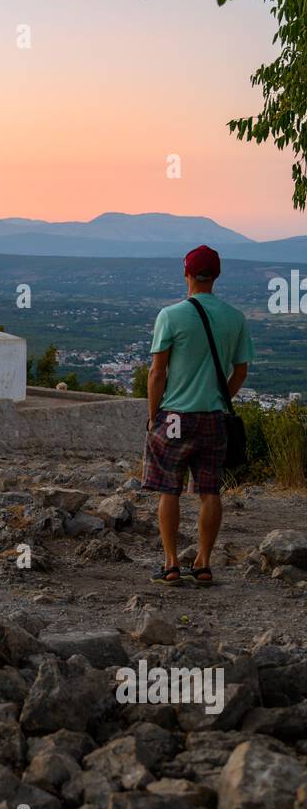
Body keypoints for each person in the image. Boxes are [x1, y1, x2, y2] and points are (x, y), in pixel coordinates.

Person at [142, 245, 254, 586]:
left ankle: (172, 563)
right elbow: (240, 371)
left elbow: (157, 373)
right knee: (210, 491)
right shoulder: (236, 318)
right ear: (216, 275)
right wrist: (221, 397)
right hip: (213, 417)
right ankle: (203, 563)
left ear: (186, 273)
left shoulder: (170, 316)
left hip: (174, 416)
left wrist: (152, 415)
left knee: (169, 490)